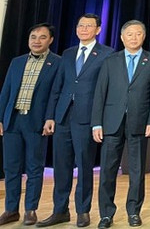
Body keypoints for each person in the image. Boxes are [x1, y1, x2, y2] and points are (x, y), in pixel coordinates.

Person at [40, 14, 114, 228]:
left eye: (89, 26)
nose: (83, 29)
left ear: (98, 30)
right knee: (61, 167)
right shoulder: (68, 53)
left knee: (84, 166)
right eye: (80, 25)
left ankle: (83, 211)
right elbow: (58, 86)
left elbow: (106, 90)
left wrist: (100, 121)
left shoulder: (107, 54)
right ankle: (60, 210)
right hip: (63, 117)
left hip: (87, 117)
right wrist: (50, 116)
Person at [91, 20, 150, 228]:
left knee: (137, 172)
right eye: (129, 34)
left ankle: (133, 211)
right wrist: (96, 123)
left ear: (144, 36)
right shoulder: (110, 61)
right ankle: (106, 214)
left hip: (139, 123)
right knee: (107, 172)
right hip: (111, 123)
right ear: (122, 37)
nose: (133, 37)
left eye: (138, 33)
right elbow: (100, 94)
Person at [0, 24, 61, 226]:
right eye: (33, 36)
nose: (37, 40)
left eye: (42, 37)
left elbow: (55, 95)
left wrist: (50, 118)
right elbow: (6, 91)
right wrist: (0, 118)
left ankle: (30, 210)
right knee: (11, 168)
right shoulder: (16, 62)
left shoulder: (57, 63)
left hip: (36, 122)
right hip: (13, 121)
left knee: (35, 168)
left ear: (50, 40)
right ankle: (11, 210)